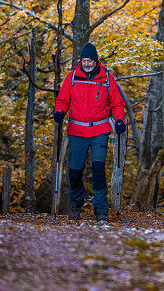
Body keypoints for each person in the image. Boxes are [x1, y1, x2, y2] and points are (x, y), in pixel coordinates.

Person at [54, 42, 126, 222]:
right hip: (77, 129)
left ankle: (101, 209)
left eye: (90, 61)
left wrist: (119, 120)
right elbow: (62, 99)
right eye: (84, 60)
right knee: (75, 171)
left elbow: (117, 103)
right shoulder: (72, 77)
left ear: (96, 61)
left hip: (100, 129)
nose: (87, 64)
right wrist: (59, 112)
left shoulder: (107, 78)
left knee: (99, 169)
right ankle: (76, 204)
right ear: (81, 61)